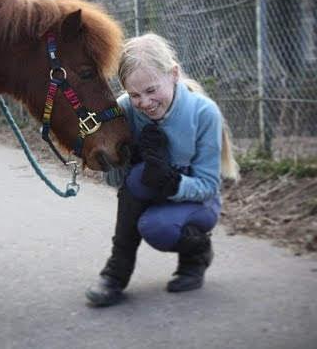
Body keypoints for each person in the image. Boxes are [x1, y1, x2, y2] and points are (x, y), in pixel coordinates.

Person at [86, 33, 239, 307]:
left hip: (197, 202)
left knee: (156, 227)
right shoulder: (124, 111)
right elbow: (116, 182)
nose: (144, 102)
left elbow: (208, 186)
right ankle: (114, 274)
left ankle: (197, 253)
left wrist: (169, 180)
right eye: (134, 94)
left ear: (174, 74)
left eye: (151, 90)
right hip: (149, 192)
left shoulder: (204, 113)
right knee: (135, 178)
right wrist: (119, 156)